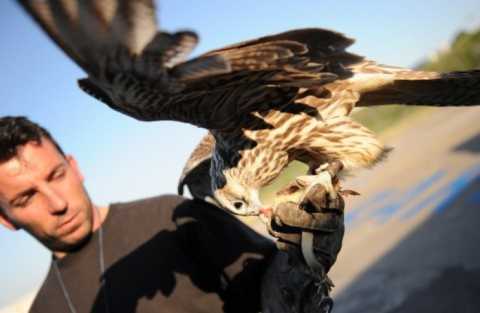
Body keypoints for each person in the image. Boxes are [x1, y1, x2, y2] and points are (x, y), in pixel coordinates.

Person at [0, 116, 345, 313]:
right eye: (27, 197)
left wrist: (299, 262)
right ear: (5, 219)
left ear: (73, 167)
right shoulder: (45, 310)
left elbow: (268, 288)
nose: (56, 203)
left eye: (55, 175)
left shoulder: (170, 216)